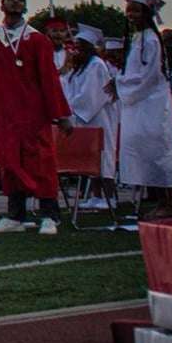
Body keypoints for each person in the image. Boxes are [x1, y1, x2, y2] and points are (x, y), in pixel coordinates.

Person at [0, 0, 73, 235]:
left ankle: (49, 216)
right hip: (4, 113)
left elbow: (49, 80)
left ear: (25, 7)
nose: (16, 2)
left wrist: (60, 114)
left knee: (41, 162)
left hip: (33, 112)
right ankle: (14, 216)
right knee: (9, 163)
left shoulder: (37, 40)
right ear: (2, 5)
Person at [115, 0, 172, 218]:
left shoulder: (152, 39)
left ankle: (171, 201)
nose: (131, 14)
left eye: (136, 10)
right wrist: (124, 84)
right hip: (140, 103)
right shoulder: (137, 38)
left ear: (146, 13)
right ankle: (161, 200)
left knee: (159, 150)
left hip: (153, 102)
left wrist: (120, 83)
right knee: (145, 150)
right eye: (129, 10)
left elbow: (150, 75)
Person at [61, 24, 118, 209]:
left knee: (104, 155)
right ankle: (95, 196)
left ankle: (110, 198)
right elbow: (68, 90)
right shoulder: (80, 68)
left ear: (88, 47)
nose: (75, 50)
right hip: (86, 117)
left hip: (99, 117)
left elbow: (90, 96)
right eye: (74, 46)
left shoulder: (96, 65)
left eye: (79, 46)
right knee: (91, 157)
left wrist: (69, 107)